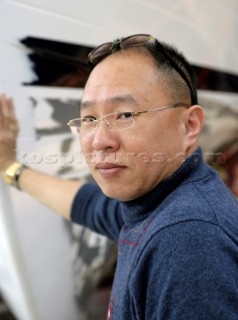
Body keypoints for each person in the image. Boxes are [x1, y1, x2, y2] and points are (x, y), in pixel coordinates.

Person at [1, 34, 238, 320]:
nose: (100, 140)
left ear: (189, 126)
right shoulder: (159, 204)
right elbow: (90, 206)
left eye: (125, 114)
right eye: (89, 119)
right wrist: (9, 166)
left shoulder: (185, 239)